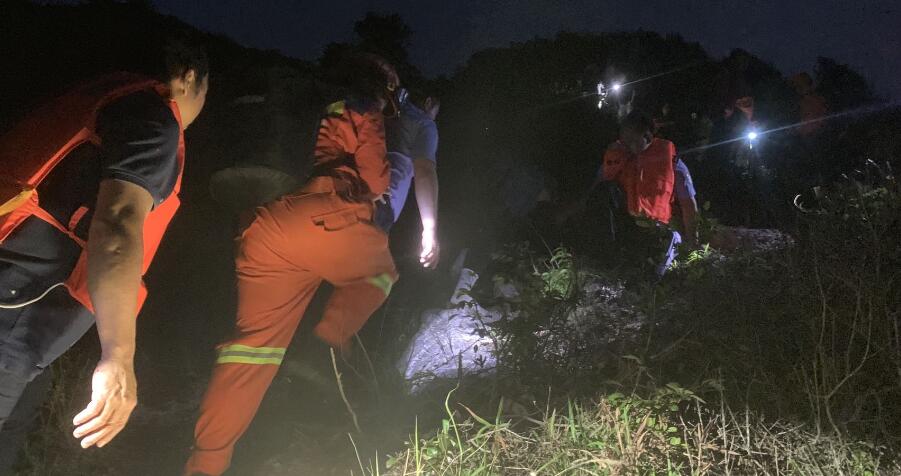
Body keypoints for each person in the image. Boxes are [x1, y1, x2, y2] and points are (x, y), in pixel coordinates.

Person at [183, 54, 399, 476]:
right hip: (317, 215)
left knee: (251, 350)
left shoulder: (304, 99)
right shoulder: (362, 106)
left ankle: (205, 463)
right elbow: (375, 181)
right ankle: (327, 342)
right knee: (381, 274)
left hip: (261, 226)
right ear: (379, 87)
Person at [0, 37, 208, 473]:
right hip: (17, 309)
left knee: (15, 424)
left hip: (20, 301)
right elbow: (116, 228)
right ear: (189, 77)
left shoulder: (99, 98)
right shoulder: (154, 120)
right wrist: (118, 357)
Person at [587, 111, 699, 276]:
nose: (626, 146)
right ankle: (607, 256)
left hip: (656, 229)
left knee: (651, 274)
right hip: (626, 227)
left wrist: (693, 244)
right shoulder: (618, 159)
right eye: (623, 141)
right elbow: (595, 192)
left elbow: (688, 204)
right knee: (606, 190)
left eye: (632, 141)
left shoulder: (673, 163)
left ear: (647, 136)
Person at [374, 87, 441, 269]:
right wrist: (430, 230)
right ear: (428, 103)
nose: (433, 118)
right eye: (435, 113)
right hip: (377, 206)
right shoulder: (424, 122)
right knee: (377, 281)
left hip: (340, 190)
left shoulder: (384, 109)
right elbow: (425, 172)